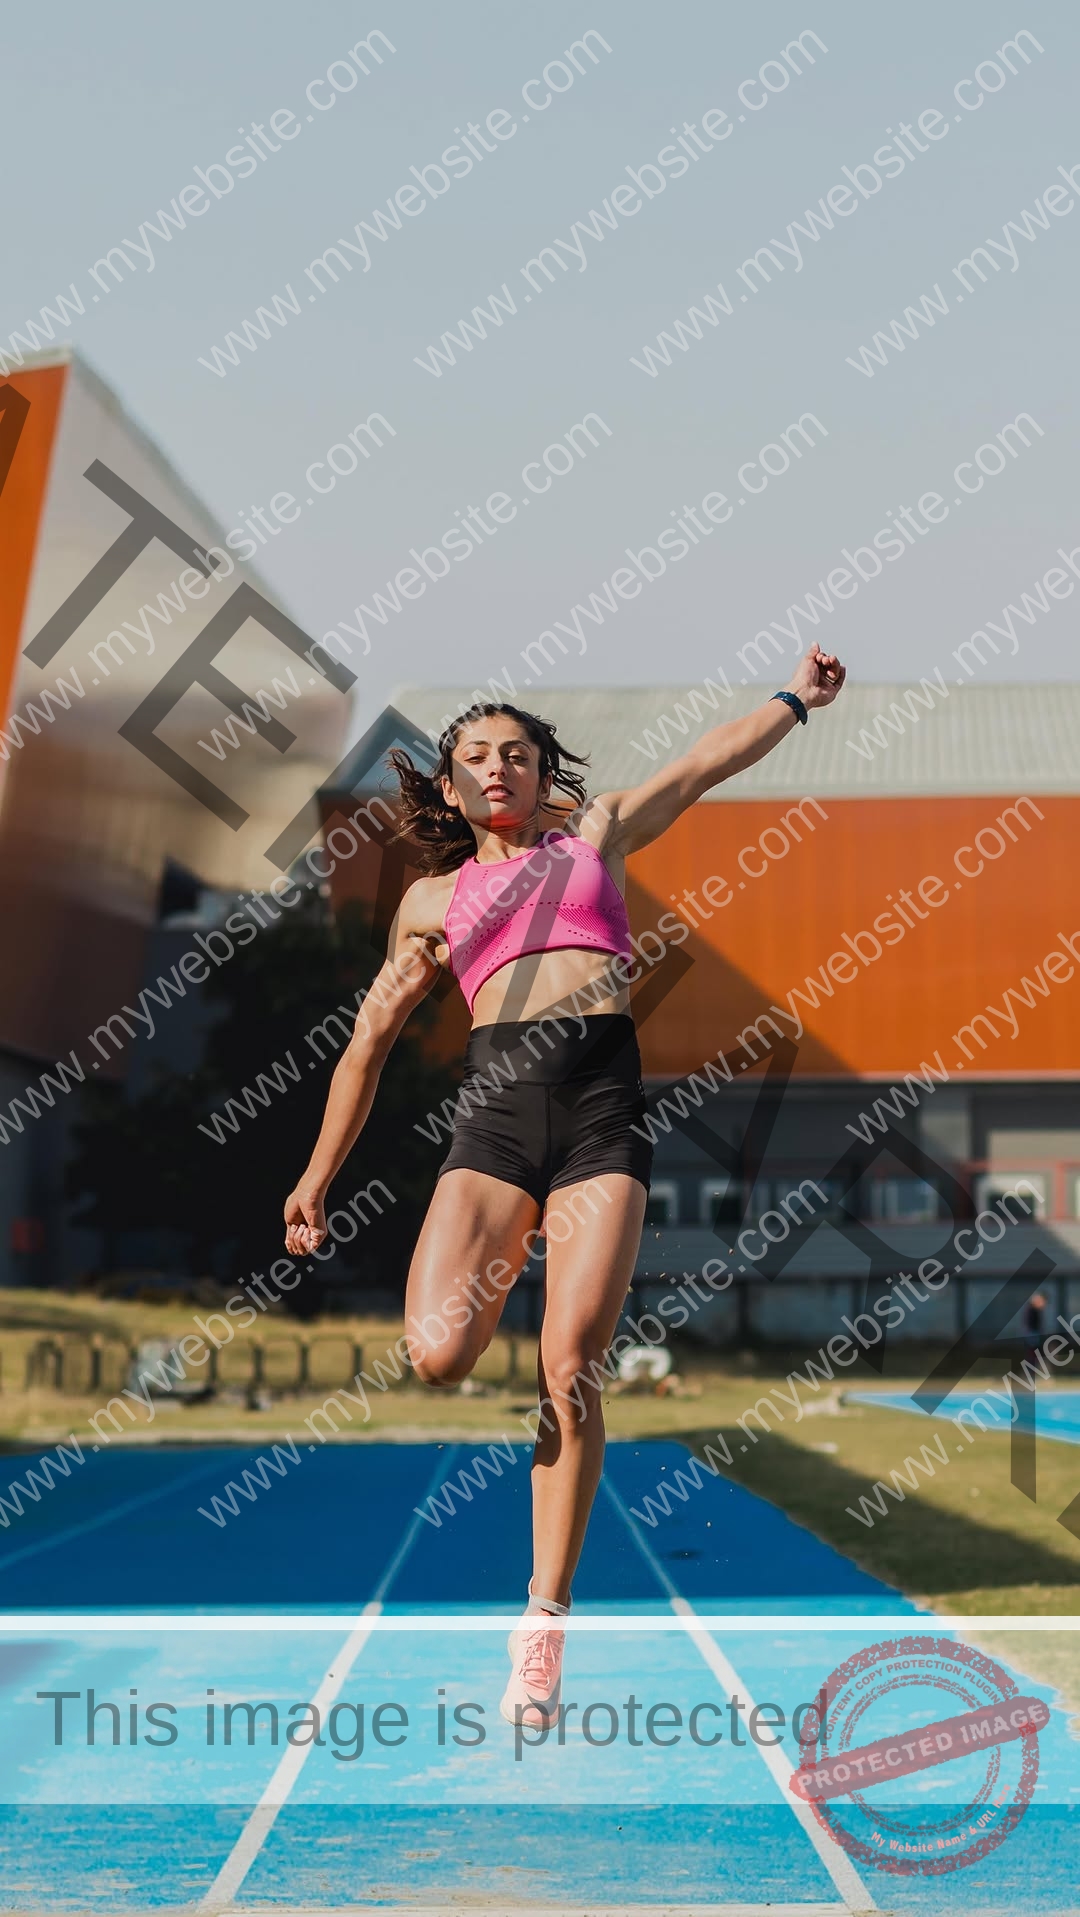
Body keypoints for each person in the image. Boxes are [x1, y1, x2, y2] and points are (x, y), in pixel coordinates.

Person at [284, 643, 845, 1726]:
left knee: (571, 1364)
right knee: (440, 1353)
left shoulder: (600, 832)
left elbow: (706, 762)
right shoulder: (430, 903)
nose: (499, 769)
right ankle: (505, 1263)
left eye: (518, 754)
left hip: (600, 1114)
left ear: (546, 774)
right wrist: (315, 1178)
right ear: (450, 787)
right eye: (477, 759)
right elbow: (366, 1046)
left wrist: (793, 700)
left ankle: (544, 1617)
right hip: (495, 1121)